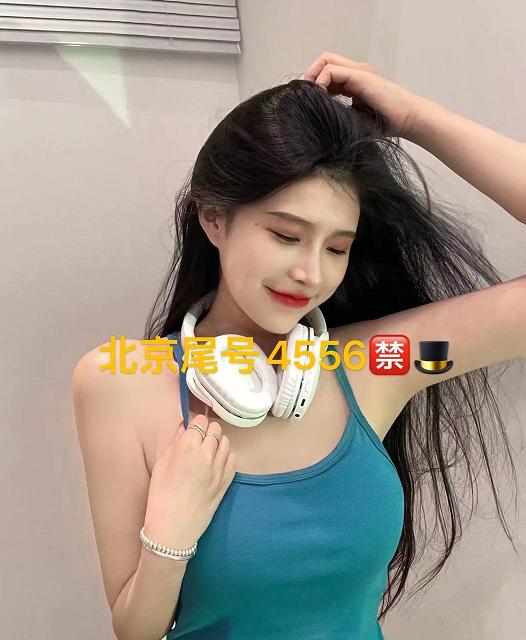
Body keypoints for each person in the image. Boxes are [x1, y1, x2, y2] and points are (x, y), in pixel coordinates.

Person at [72, 51, 526, 639]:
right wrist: (169, 533)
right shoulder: (121, 381)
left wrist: (416, 119)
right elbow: (135, 628)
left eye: (337, 248)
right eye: (287, 235)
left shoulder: (372, 364)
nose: (311, 274)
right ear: (214, 218)